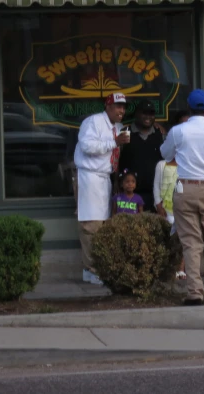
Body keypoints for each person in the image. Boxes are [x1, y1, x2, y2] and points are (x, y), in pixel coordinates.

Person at [160, 89, 204, 306]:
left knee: (191, 243)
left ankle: (195, 293)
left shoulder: (178, 131)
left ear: (189, 108)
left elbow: (165, 154)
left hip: (186, 188)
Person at [74, 92, 130, 286]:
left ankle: (97, 267)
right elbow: (87, 146)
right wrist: (114, 142)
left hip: (105, 178)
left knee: (103, 225)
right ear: (107, 106)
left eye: (123, 107)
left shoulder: (118, 128)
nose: (121, 110)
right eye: (117, 106)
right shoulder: (94, 122)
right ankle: (90, 270)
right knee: (91, 224)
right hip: (89, 176)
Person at [153, 109, 191, 280]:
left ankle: (181, 269)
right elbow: (157, 186)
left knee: (182, 241)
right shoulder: (162, 165)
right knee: (167, 240)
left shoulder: (187, 165)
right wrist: (157, 203)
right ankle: (167, 269)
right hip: (166, 210)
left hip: (181, 210)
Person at [117, 99, 166, 211]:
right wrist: (116, 182)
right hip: (130, 194)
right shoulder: (125, 132)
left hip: (155, 195)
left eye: (151, 114)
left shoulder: (160, 134)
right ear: (137, 114)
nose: (148, 117)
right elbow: (116, 159)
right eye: (144, 113)